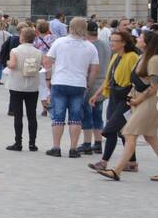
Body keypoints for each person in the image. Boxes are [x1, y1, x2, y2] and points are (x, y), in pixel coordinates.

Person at [98, 29, 158, 183]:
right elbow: (138, 82)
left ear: (147, 42)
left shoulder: (154, 60)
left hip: (150, 103)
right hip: (142, 101)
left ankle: (117, 170)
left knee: (129, 133)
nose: (138, 38)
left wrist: (138, 99)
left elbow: (154, 87)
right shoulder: (142, 57)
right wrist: (132, 96)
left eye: (141, 37)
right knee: (151, 137)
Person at [43, 17, 100, 158]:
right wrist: (88, 84)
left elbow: (48, 62)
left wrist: (48, 79)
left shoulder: (59, 42)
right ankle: (73, 148)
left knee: (58, 116)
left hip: (60, 81)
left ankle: (56, 147)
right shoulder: (90, 46)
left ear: (70, 27)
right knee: (76, 117)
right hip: (79, 84)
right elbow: (94, 70)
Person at [88, 29, 140, 173]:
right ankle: (132, 162)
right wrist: (97, 94)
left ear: (123, 43)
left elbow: (138, 78)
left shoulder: (132, 57)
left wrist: (135, 98)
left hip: (126, 99)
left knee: (109, 130)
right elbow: (109, 79)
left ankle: (104, 162)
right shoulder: (116, 56)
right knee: (122, 131)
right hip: (114, 97)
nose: (111, 43)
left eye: (114, 40)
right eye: (111, 40)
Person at [5, 26, 43, 151]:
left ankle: (18, 142)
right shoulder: (38, 52)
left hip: (17, 85)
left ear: (21, 37)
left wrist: (7, 63)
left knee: (18, 115)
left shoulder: (15, 51)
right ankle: (32, 143)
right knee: (32, 115)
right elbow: (42, 67)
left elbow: (13, 64)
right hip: (32, 86)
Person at [80, 20, 111, 154]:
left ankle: (87, 143)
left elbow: (89, 68)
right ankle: (98, 143)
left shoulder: (88, 46)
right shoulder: (106, 45)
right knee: (98, 115)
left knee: (87, 114)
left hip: (91, 84)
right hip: (103, 84)